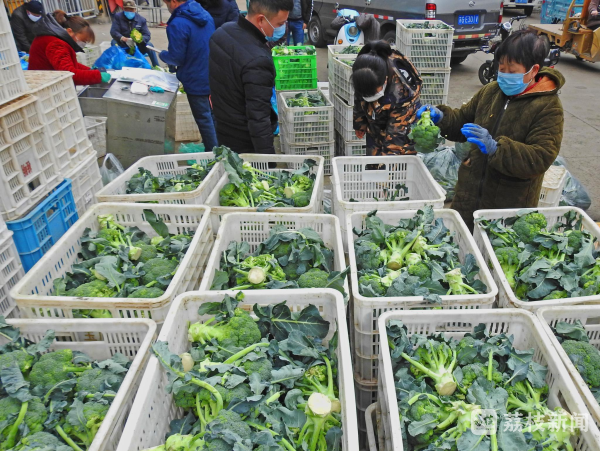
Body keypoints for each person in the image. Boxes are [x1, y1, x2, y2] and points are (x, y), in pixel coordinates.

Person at [417, 29, 565, 231]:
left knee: (494, 252)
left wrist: (497, 149)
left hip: (508, 204)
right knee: (462, 244)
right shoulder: (491, 91)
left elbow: (541, 157)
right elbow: (462, 121)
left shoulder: (548, 106)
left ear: (533, 70)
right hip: (468, 195)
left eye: (512, 71)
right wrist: (442, 117)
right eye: (501, 68)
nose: (504, 75)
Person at [209, 0, 293, 153]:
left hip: (223, 128)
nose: (282, 29)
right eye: (280, 24)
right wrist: (268, 160)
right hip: (245, 142)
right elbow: (258, 119)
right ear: (261, 19)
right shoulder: (258, 61)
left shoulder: (222, 33)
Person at [159, 0, 218, 152]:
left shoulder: (178, 23)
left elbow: (177, 57)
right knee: (211, 115)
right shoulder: (205, 14)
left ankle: (214, 154)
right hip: (211, 72)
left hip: (195, 76)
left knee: (204, 119)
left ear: (173, 2)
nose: (167, 7)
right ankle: (218, 147)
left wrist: (164, 55)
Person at [351, 41, 422, 156]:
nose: (369, 97)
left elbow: (396, 136)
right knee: (373, 157)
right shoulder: (363, 71)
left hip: (402, 125)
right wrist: (360, 123)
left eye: (373, 92)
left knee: (395, 158)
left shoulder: (401, 93)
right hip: (376, 118)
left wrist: (387, 165)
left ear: (385, 80)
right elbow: (359, 98)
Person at [29, 10, 110, 85]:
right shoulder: (56, 44)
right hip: (43, 85)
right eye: (83, 40)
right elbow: (68, 74)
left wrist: (90, 70)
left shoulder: (55, 38)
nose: (83, 44)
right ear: (70, 31)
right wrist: (97, 76)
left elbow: (69, 64)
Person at [110, 0, 159, 67]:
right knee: (114, 42)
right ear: (123, 9)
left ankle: (157, 66)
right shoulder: (118, 17)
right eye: (127, 10)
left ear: (135, 9)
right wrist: (123, 38)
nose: (129, 12)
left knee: (150, 45)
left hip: (138, 46)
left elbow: (147, 35)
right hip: (123, 44)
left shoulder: (141, 19)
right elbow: (114, 31)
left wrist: (139, 40)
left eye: (131, 10)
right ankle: (118, 65)